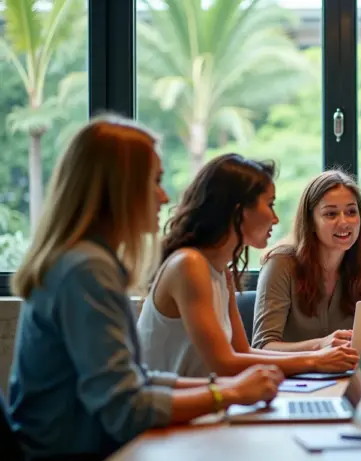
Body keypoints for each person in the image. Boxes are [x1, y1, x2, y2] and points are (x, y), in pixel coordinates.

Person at [7, 117, 283, 459]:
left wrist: (228, 387)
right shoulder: (86, 270)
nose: (164, 196)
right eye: (154, 181)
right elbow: (127, 409)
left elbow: (137, 378)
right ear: (118, 188)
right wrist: (227, 395)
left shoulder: (89, 261)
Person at [137, 155, 359, 378]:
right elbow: (225, 363)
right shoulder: (189, 265)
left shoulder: (222, 271)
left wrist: (322, 356)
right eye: (270, 205)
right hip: (173, 410)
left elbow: (243, 352)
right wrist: (315, 360)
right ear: (239, 211)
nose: (275, 218)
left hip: (203, 404)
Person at [251, 170, 361, 351]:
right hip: (292, 377)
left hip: (343, 375)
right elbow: (263, 346)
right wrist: (320, 345)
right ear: (310, 221)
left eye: (351, 211)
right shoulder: (280, 264)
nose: (344, 222)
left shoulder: (360, 266)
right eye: (331, 214)